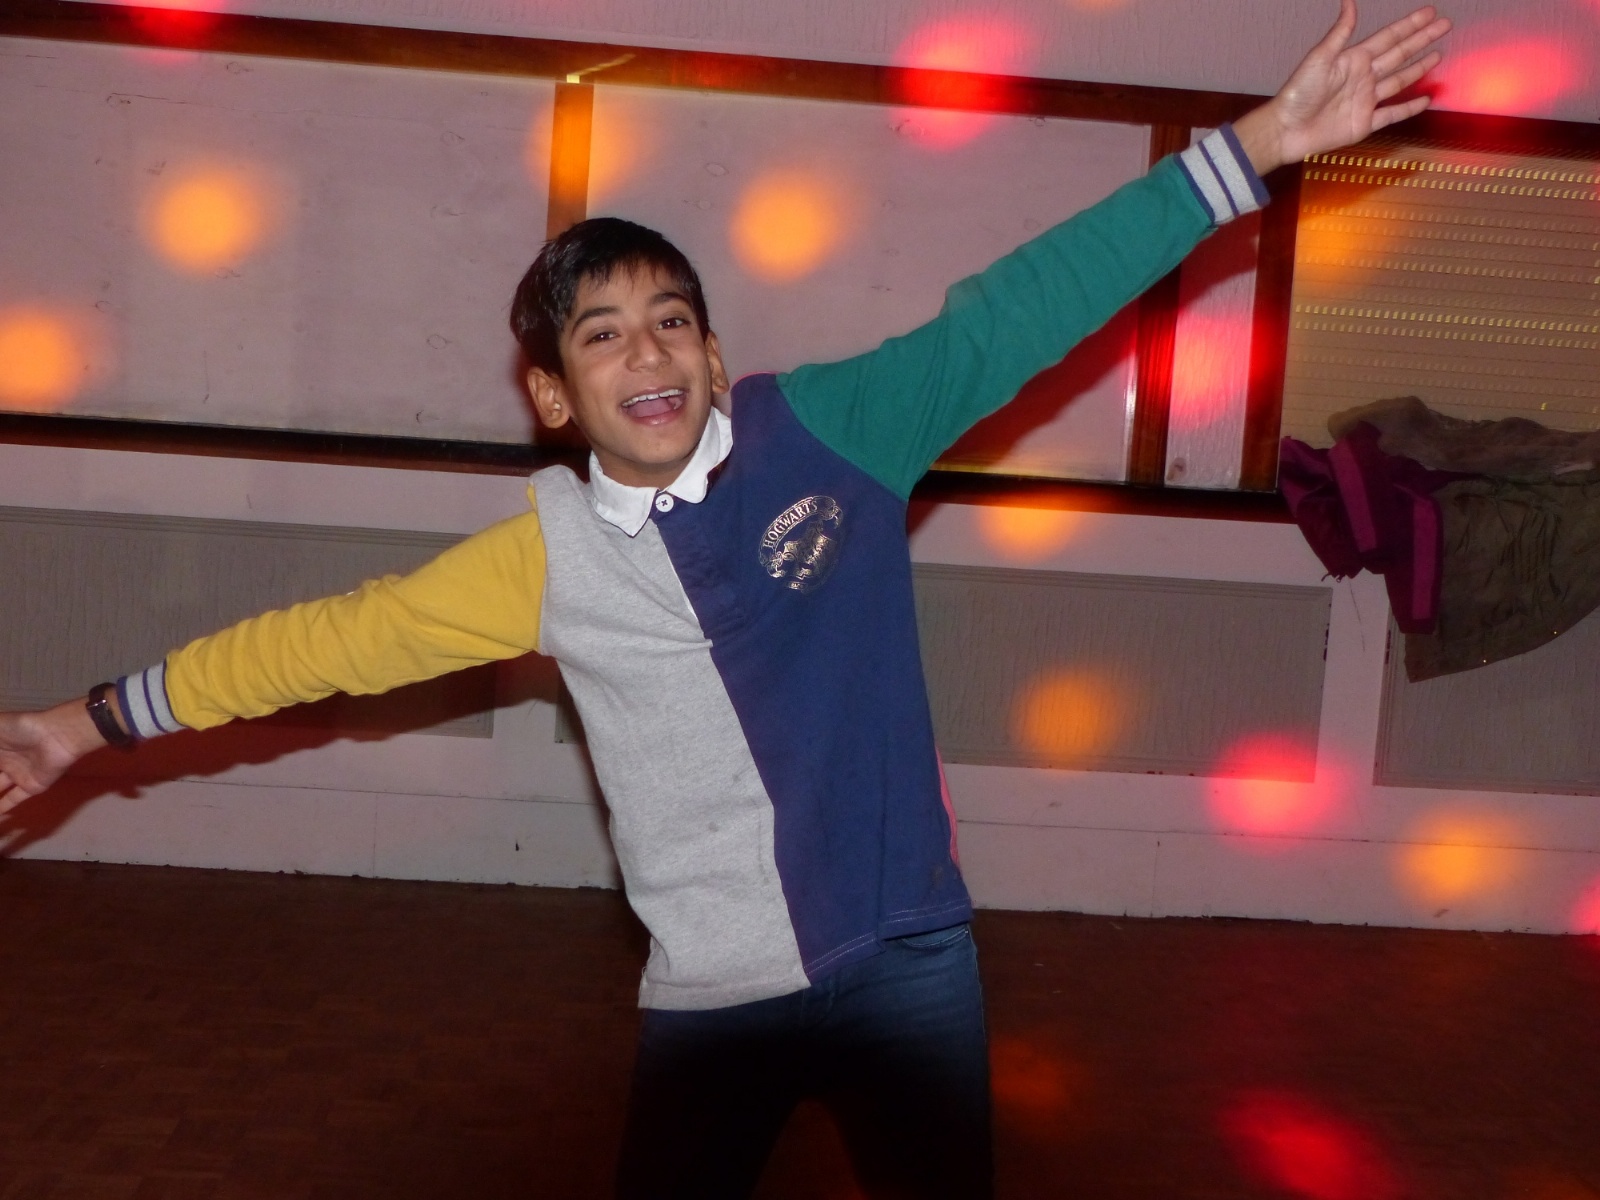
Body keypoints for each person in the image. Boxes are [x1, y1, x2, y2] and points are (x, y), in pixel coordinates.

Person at [0, 3, 1448, 1195]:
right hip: (711, 998)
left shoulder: (831, 432)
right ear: (553, 396)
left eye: (672, 321)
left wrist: (1254, 149)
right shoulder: (544, 558)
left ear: (710, 349)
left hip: (912, 962)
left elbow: (1017, 310)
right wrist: (79, 725)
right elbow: (317, 649)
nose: (648, 354)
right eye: (603, 334)